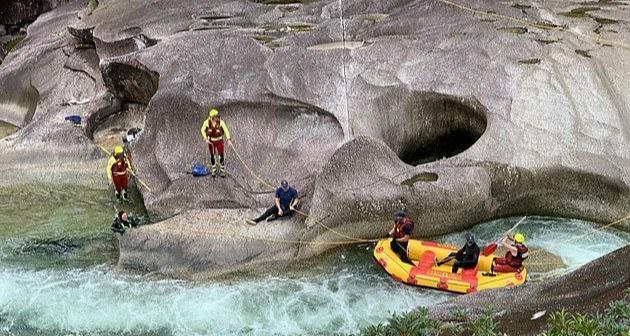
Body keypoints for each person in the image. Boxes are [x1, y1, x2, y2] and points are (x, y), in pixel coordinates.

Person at [200, 108, 232, 177]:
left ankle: (222, 170)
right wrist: (205, 139)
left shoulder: (221, 122)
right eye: (216, 116)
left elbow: (226, 130)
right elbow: (202, 130)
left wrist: (228, 139)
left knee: (221, 156)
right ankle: (213, 170)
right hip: (211, 142)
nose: (217, 117)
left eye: (217, 116)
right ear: (212, 117)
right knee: (212, 156)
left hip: (219, 141)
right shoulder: (207, 122)